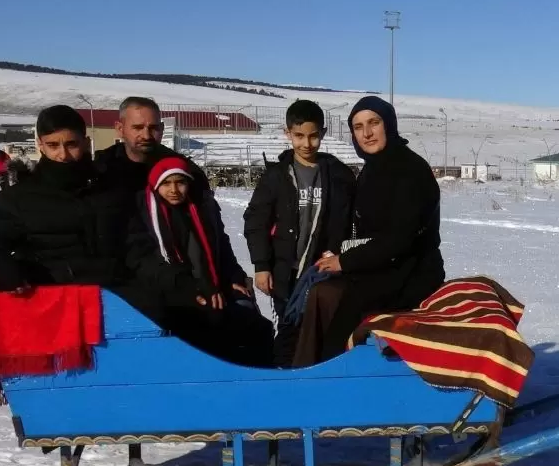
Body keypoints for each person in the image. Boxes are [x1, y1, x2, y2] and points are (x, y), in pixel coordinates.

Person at [0, 106, 189, 318]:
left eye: (71, 144)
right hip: (54, 310)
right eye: (53, 145)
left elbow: (139, 250)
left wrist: (178, 281)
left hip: (119, 302)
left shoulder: (112, 190)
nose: (63, 155)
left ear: (86, 142)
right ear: (40, 144)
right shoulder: (19, 199)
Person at [291, 96, 444, 366]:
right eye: (358, 127)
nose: (367, 133)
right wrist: (338, 252)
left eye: (374, 123)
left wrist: (344, 261)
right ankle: (305, 369)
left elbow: (399, 239)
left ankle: (335, 374)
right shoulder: (375, 167)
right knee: (320, 293)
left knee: (344, 313)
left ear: (390, 124)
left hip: (410, 272)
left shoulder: (409, 170)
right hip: (382, 267)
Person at [243, 99, 355, 366]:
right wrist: (261, 265)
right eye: (299, 136)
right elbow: (255, 221)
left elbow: (350, 221)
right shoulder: (277, 176)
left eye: (313, 136)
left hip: (322, 271)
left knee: (319, 331)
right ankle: (284, 379)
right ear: (287, 133)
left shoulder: (339, 175)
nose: (307, 144)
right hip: (285, 272)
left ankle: (312, 379)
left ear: (323, 134)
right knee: (289, 329)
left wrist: (342, 254)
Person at [136, 157, 273, 366]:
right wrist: (196, 289)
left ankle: (258, 377)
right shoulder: (146, 215)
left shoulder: (201, 208)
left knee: (256, 324)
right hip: (175, 291)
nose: (174, 189)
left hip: (212, 284)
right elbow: (151, 263)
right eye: (166, 183)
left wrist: (233, 277)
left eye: (180, 182)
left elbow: (222, 246)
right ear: (155, 186)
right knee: (214, 325)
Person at [95, 96, 212, 204]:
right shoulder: (100, 171)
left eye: (153, 128)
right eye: (138, 128)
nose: (146, 135)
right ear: (120, 129)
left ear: (162, 129)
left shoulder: (186, 172)